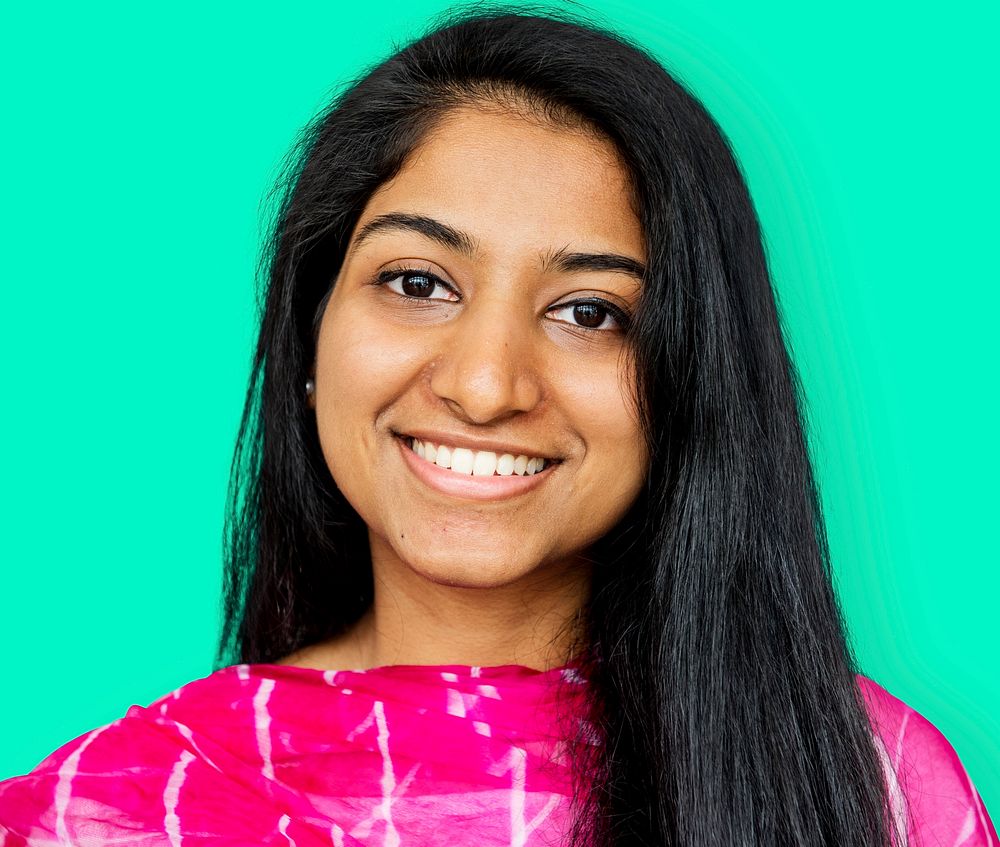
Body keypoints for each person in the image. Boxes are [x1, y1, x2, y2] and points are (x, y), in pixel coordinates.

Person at [0, 7, 995, 846]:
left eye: (590, 311)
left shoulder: (870, 786)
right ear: (309, 335)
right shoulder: (112, 810)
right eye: (418, 283)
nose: (485, 385)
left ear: (691, 377)